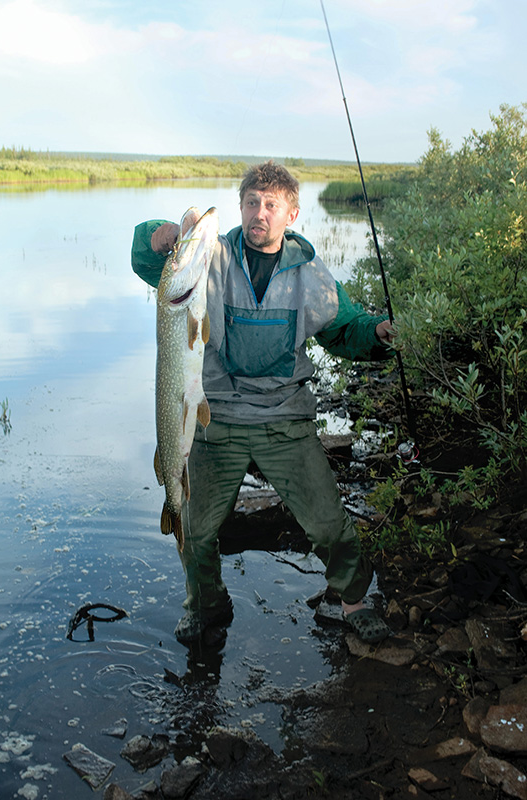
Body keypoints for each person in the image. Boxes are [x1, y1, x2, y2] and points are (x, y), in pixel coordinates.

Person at [131, 161, 395, 646]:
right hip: (218, 417)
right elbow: (153, 266)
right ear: (242, 207)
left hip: (284, 416)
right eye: (252, 202)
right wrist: (156, 236)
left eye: (271, 205)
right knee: (194, 527)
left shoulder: (309, 273)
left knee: (329, 523)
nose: (260, 213)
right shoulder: (212, 256)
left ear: (291, 213)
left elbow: (344, 327)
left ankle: (351, 600)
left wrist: (376, 332)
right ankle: (206, 604)